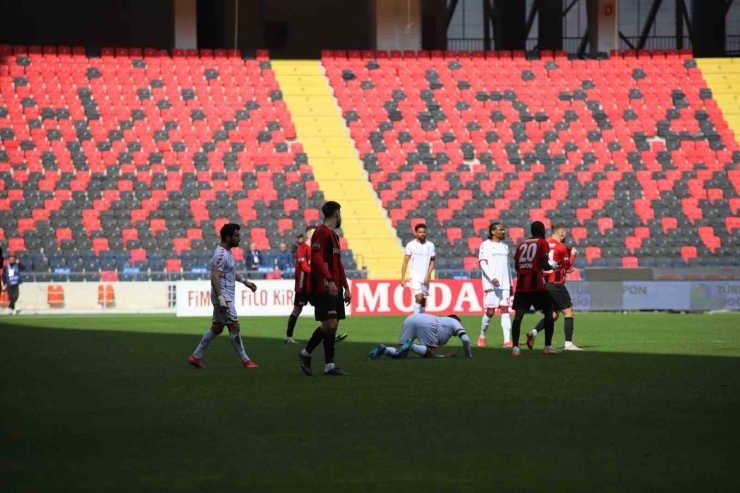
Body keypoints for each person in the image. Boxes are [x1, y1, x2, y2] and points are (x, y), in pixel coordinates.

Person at [188, 224, 259, 369]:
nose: (239, 238)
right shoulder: (221, 254)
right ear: (228, 237)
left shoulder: (227, 252)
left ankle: (195, 357)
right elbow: (215, 277)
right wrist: (221, 300)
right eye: (237, 236)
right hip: (223, 297)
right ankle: (246, 361)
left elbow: (230, 273)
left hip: (224, 296)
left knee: (217, 327)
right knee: (234, 326)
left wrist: (245, 282)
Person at [299, 201, 352, 376]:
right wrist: (329, 280)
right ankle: (306, 353)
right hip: (324, 287)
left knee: (333, 325)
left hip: (334, 287)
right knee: (329, 324)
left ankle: (329, 366)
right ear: (337, 213)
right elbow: (316, 258)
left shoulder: (334, 236)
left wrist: (346, 287)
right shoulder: (321, 232)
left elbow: (338, 264)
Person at [284, 226, 348, 345]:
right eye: (314, 233)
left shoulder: (318, 249)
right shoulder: (302, 248)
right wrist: (319, 273)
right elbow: (303, 266)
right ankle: (288, 336)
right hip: (303, 286)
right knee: (297, 310)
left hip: (315, 286)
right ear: (308, 235)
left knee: (324, 309)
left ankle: (331, 332)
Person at [527, 223, 582, 351]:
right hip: (556, 284)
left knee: (553, 315)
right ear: (561, 233)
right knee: (568, 312)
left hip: (544, 284)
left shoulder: (543, 245)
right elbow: (567, 266)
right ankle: (568, 344)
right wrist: (573, 254)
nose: (566, 236)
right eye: (565, 233)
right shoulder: (560, 247)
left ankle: (533, 333)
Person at [510, 221, 557, 357]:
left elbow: (517, 267)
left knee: (518, 317)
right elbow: (544, 264)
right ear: (542, 230)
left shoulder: (521, 244)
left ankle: (515, 349)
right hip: (537, 285)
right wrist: (552, 266)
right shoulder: (543, 243)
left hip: (521, 286)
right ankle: (547, 346)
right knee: (549, 313)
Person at [366, 314, 472, 359]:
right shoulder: (454, 321)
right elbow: (466, 340)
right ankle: (412, 346)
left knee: (401, 354)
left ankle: (384, 350)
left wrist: (444, 356)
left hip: (411, 318)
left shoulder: (442, 320)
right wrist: (468, 356)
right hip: (428, 322)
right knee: (430, 354)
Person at [477, 222, 513, 348]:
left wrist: (511, 283)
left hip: (505, 284)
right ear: (493, 231)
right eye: (500, 230)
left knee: (505, 309)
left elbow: (508, 266)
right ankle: (482, 336)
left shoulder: (505, 246)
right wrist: (492, 278)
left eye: (504, 230)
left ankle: (507, 341)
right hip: (491, 284)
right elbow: (482, 263)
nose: (503, 232)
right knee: (490, 312)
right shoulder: (485, 245)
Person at [401, 223, 435, 314]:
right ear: (416, 233)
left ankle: (422, 321)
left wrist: (428, 275)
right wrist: (403, 277)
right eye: (420, 232)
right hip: (415, 276)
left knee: (423, 301)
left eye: (424, 232)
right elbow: (405, 262)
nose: (422, 234)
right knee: (419, 297)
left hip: (425, 277)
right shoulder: (410, 245)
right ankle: (415, 319)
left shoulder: (430, 245)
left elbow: (432, 262)